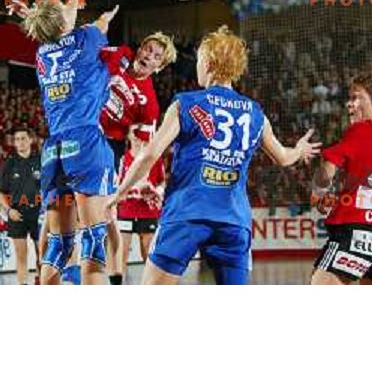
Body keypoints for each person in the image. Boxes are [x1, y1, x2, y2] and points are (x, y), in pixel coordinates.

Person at [107, 25, 321, 285]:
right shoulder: (255, 113)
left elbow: (149, 154)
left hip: (186, 214)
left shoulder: (187, 103)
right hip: (234, 222)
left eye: (198, 60)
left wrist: (118, 194)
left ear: (207, 63)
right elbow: (284, 158)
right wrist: (300, 149)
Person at [10, 0, 119, 285]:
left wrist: (70, 0)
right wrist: (104, 16)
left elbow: (61, 25)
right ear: (61, 23)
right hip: (84, 141)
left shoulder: (42, 51)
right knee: (95, 238)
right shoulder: (85, 39)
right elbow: (98, 25)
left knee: (58, 243)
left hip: (54, 147)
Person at [100, 32, 176, 284]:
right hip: (83, 127)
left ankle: (113, 282)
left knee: (98, 217)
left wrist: (142, 181)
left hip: (108, 146)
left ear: (159, 67)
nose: (148, 56)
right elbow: (91, 55)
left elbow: (145, 150)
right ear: (140, 48)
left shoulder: (150, 104)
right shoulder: (120, 54)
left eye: (157, 57)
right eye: (148, 49)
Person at [311, 73, 372, 285]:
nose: (349, 104)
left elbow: (329, 166)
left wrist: (317, 195)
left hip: (356, 229)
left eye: (356, 97)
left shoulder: (361, 130)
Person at [0, 127, 42, 285]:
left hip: (38, 213)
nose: (20, 142)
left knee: (42, 254)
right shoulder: (9, 163)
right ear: (14, 143)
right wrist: (9, 210)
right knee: (21, 254)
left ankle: (40, 280)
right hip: (17, 213)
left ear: (30, 140)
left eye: (23, 138)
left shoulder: (40, 160)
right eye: (17, 139)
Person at [116, 129, 165, 276]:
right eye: (133, 132)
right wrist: (127, 192)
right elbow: (117, 184)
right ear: (128, 135)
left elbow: (162, 181)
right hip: (127, 209)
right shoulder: (123, 159)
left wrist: (155, 191)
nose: (137, 136)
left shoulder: (154, 158)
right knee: (121, 254)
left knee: (148, 254)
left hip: (148, 210)